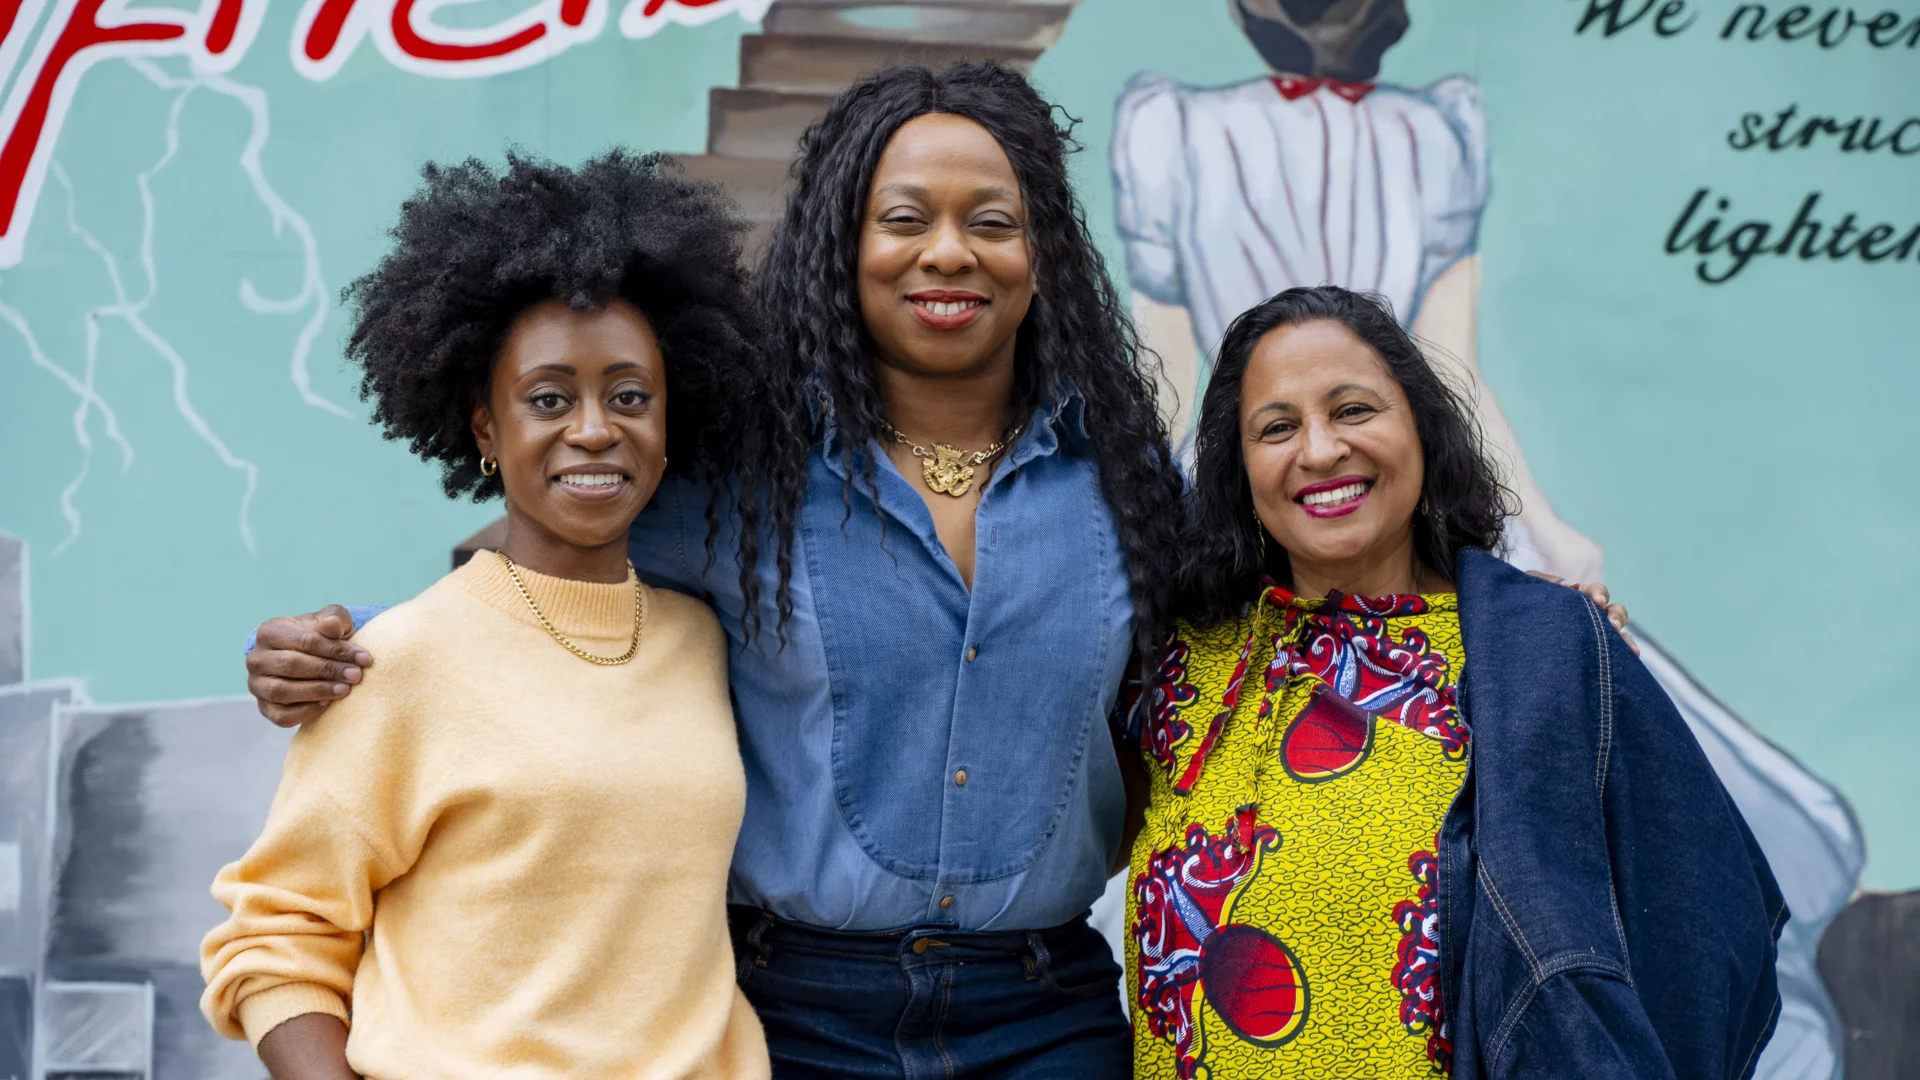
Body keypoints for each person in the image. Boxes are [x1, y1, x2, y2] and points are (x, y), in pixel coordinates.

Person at [237, 64, 1628, 1078]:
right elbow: (530, 580)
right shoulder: (731, 483)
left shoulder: (1137, 488)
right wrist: (337, 643)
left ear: (1041, 254)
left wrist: (1523, 622)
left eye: (991, 218)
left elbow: (1335, 575)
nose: (946, 252)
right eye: (904, 218)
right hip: (787, 1019)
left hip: (1049, 1019)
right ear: (844, 247)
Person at [201, 151, 769, 1080]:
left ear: (673, 423)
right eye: (548, 399)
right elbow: (277, 939)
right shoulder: (394, 661)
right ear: (483, 429)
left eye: (631, 396)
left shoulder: (704, 640)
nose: (593, 428)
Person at [1125, 284, 1783, 1078]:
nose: (1321, 450)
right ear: (1239, 468)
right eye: (1276, 427)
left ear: (1422, 428)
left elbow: (1704, 923)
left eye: (1355, 410)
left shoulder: (1536, 654)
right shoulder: (1183, 666)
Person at [1112, 0, 1603, 582]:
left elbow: (1449, 372)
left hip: (1336, 484)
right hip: (1255, 493)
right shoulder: (1170, 130)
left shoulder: (1434, 135)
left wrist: (1545, 529)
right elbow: (1160, 384)